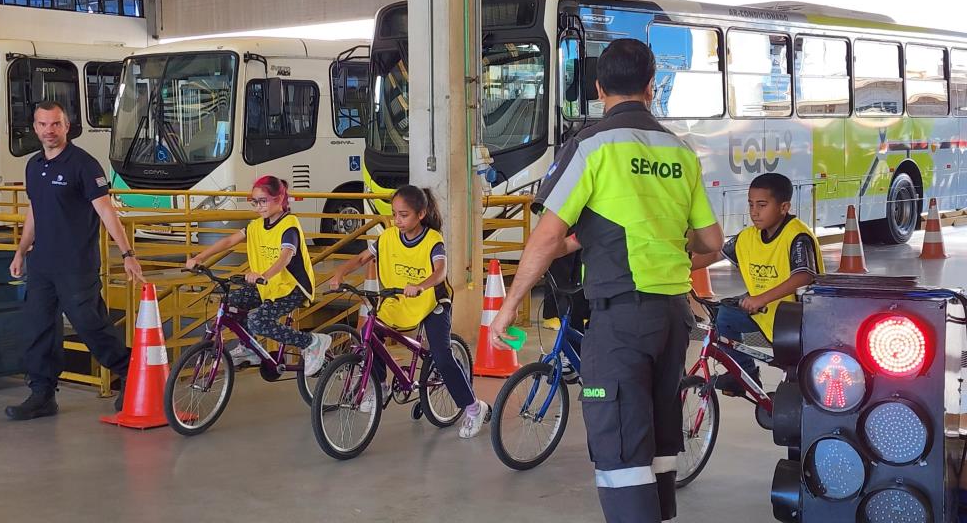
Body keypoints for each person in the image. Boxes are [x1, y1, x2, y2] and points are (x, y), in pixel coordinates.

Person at [487, 39, 724, 523]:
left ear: (597, 88)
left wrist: (510, 305)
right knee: (658, 437)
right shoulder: (679, 152)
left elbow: (545, 236)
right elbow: (713, 244)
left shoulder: (593, 145)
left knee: (619, 446)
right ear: (652, 87)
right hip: (674, 316)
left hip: (621, 321)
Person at [7, 100, 146, 421]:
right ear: (35, 128)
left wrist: (127, 253)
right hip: (41, 263)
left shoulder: (83, 164)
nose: (49, 130)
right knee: (39, 328)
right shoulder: (34, 165)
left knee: (89, 324)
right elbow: (34, 211)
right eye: (42, 124)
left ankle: (130, 374)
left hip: (76, 263)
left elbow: (105, 210)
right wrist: (20, 250)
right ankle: (42, 394)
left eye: (55, 124)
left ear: (67, 126)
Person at [329, 185, 489, 439]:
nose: (397, 220)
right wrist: (340, 273)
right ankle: (379, 384)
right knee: (369, 334)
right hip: (397, 300)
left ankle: (473, 407)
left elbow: (440, 271)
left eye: (404, 215)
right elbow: (361, 258)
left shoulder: (433, 239)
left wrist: (422, 285)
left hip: (431, 302)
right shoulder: (387, 237)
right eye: (395, 214)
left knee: (441, 355)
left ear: (421, 214)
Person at [691, 172, 823, 395]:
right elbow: (715, 256)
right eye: (751, 204)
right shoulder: (747, 237)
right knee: (725, 317)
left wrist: (760, 298)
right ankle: (745, 373)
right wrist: (678, 267)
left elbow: (804, 275)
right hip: (764, 312)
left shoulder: (797, 235)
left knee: (796, 384)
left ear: (783, 207)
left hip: (797, 319)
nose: (754, 211)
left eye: (762, 205)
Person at [184, 175, 331, 375]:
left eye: (263, 201)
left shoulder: (289, 226)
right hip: (267, 285)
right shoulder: (256, 226)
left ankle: (312, 342)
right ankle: (249, 348)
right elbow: (229, 241)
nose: (258, 207)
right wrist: (200, 257)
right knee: (231, 302)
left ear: (279, 199)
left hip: (292, 288)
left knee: (258, 321)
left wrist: (265, 275)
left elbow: (285, 257)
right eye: (255, 202)